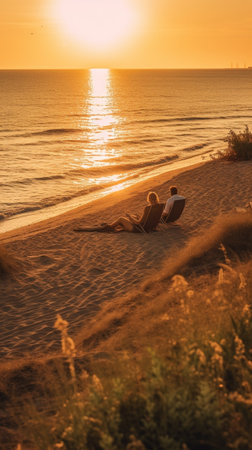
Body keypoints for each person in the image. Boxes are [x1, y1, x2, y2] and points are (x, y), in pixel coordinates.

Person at [74, 191, 162, 233]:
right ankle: (115, 225)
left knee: (121, 219)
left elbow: (138, 222)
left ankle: (109, 227)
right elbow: (149, 219)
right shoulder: (159, 206)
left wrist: (130, 218)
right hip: (149, 227)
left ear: (149, 199)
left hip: (138, 229)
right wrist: (133, 217)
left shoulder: (148, 208)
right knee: (133, 216)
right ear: (156, 198)